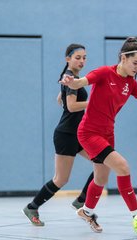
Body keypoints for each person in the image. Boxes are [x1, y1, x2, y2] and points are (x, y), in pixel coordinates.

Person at [59, 37, 137, 233]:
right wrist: (71, 82)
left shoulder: (131, 84)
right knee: (123, 167)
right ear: (123, 58)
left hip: (108, 133)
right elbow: (80, 82)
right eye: (135, 63)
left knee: (101, 178)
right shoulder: (104, 73)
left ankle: (86, 211)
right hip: (89, 132)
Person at [23, 43, 94, 226]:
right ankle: (32, 207)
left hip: (78, 133)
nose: (82, 61)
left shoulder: (70, 77)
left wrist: (62, 95)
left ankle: (81, 200)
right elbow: (71, 106)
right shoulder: (70, 77)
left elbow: (62, 98)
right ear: (68, 59)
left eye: (84, 57)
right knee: (61, 179)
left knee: (103, 162)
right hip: (66, 135)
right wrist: (94, 102)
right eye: (78, 57)